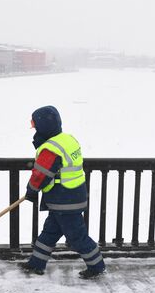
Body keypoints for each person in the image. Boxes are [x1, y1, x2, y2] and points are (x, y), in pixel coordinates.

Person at [20, 105, 105, 279]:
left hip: (64, 200)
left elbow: (40, 175)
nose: (34, 130)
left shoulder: (51, 148)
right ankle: (36, 264)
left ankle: (97, 266)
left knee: (77, 237)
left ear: (43, 127)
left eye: (35, 126)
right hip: (72, 196)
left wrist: (31, 191)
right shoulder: (68, 139)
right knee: (49, 232)